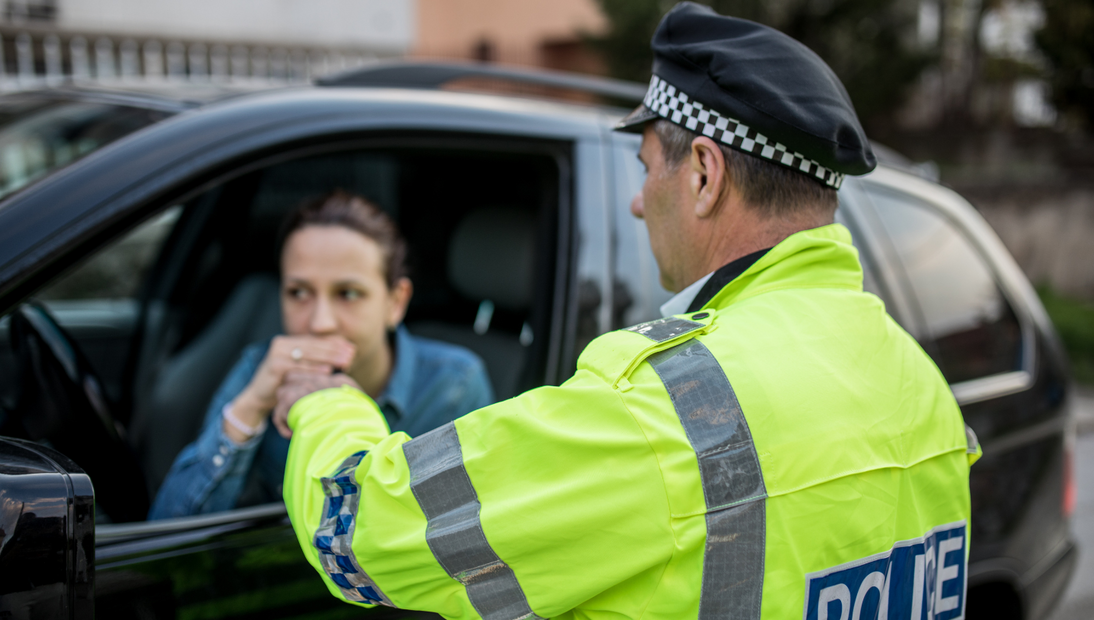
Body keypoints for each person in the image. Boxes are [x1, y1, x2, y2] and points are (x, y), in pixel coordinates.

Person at [276, 4, 981, 618]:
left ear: (704, 175)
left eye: (647, 167)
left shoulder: (672, 408)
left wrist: (326, 399)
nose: (639, 200)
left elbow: (361, 532)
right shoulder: (914, 376)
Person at [149, 191, 494, 519]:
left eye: (348, 293)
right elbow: (167, 527)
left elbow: (464, 534)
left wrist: (352, 417)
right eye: (299, 292)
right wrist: (251, 407)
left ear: (396, 302)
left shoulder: (453, 385)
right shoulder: (261, 368)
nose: (319, 323)